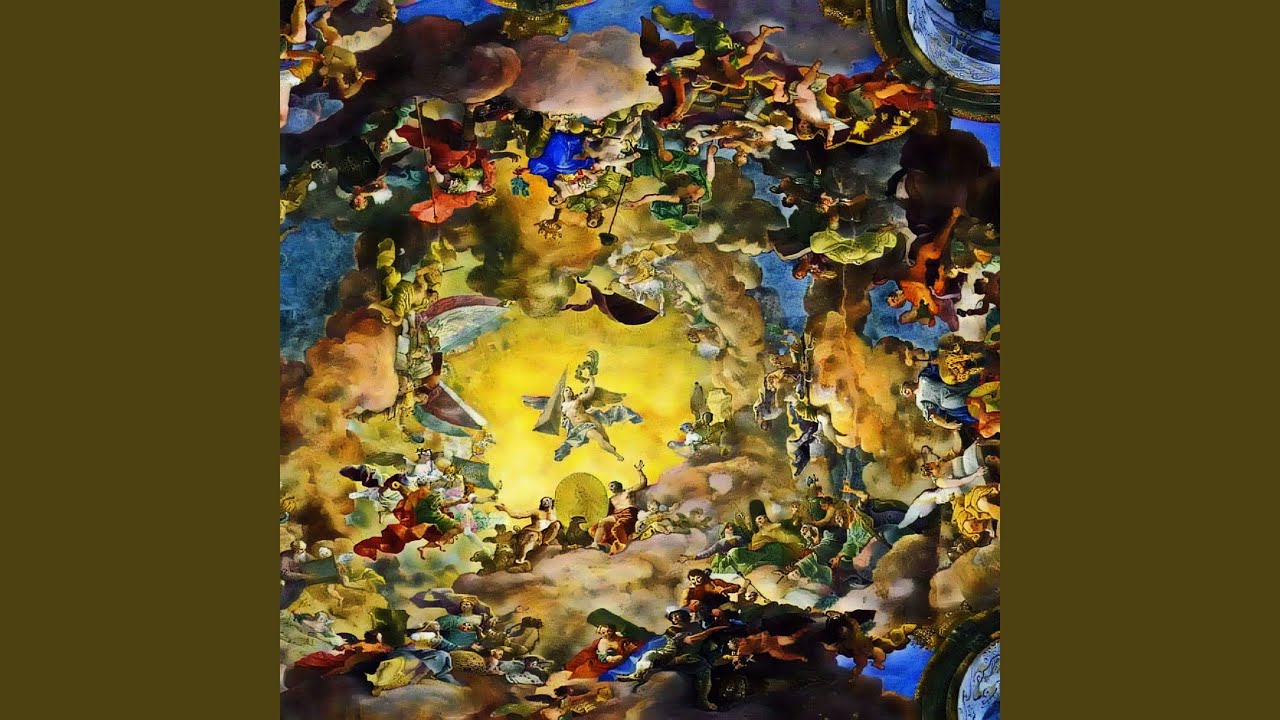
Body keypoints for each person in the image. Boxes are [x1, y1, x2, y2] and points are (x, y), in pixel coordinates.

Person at [615, 608, 727, 711]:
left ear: (684, 615)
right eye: (673, 616)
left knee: (704, 669)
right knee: (649, 654)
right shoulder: (673, 629)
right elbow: (692, 640)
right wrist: (710, 631)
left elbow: (703, 636)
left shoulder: (695, 626)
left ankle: (702, 700)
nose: (675, 618)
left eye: (677, 615)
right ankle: (638, 674)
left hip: (689, 658)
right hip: (670, 656)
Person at [591, 461, 649, 555]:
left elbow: (643, 483)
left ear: (618, 485)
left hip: (628, 514)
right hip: (616, 514)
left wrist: (639, 471)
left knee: (618, 528)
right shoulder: (611, 499)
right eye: (609, 487)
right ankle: (595, 544)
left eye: (612, 485)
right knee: (602, 522)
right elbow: (604, 510)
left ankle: (617, 546)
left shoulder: (628, 492)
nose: (610, 488)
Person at [496, 497, 563, 563]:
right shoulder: (536, 512)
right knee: (533, 536)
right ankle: (521, 557)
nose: (546, 504)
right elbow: (519, 515)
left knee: (556, 524)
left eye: (548, 502)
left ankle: (545, 542)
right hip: (533, 531)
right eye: (544, 502)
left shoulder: (553, 511)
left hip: (544, 534)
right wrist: (506, 509)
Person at [565, 624, 639, 680]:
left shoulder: (619, 637)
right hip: (609, 665)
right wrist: (614, 658)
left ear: (614, 630)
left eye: (609, 631)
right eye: (604, 632)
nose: (607, 633)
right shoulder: (601, 643)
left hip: (629, 657)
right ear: (600, 632)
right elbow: (605, 658)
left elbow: (629, 643)